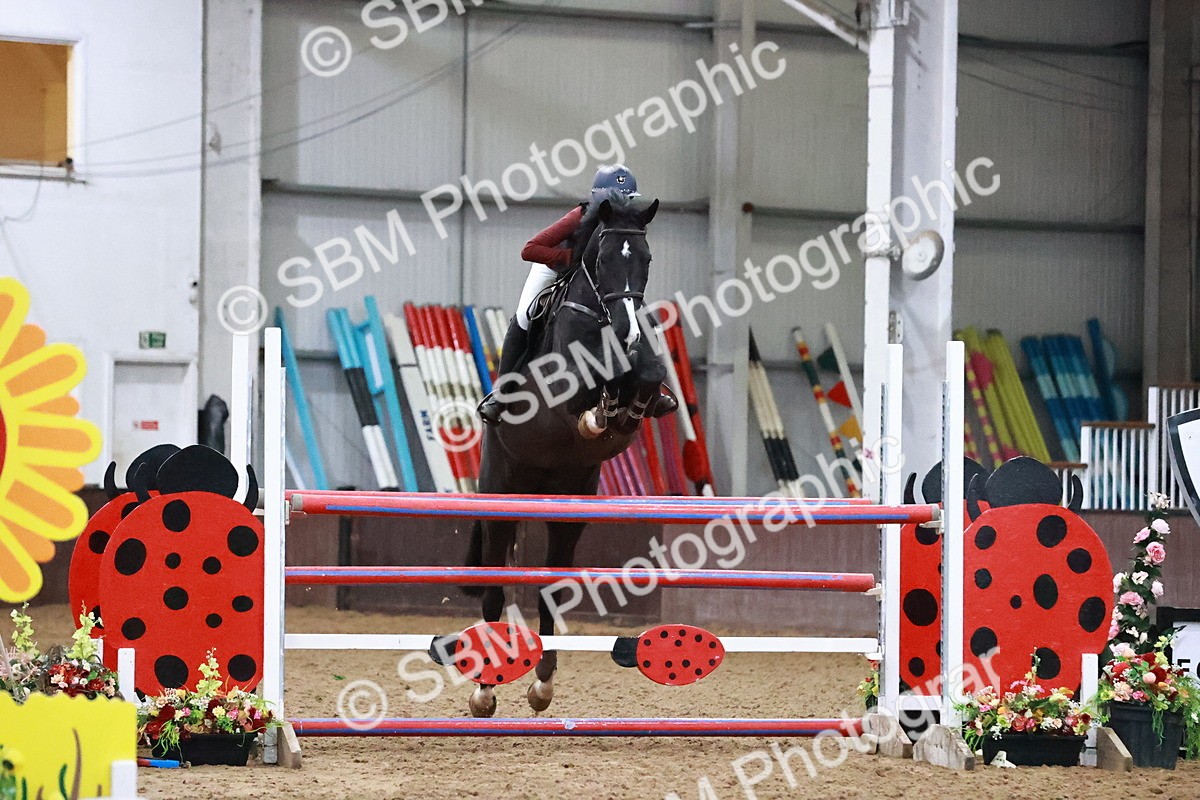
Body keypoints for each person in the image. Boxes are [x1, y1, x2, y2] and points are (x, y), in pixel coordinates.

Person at [478, 164, 675, 425]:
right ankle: (502, 395)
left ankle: (653, 390)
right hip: (554, 266)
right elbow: (530, 249)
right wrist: (569, 257)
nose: (623, 204)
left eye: (627, 199)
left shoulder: (627, 223)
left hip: (603, 276)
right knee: (525, 316)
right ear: (599, 198)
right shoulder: (579, 216)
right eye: (618, 198)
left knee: (642, 318)